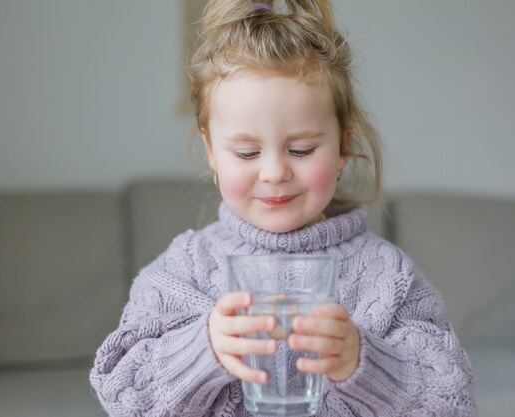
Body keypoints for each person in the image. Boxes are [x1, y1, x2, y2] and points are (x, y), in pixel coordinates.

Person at [90, 1, 476, 416]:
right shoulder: (183, 273)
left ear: (343, 145)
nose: (274, 172)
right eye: (247, 151)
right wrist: (202, 352)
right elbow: (122, 393)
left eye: (301, 149)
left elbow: (452, 400)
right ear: (212, 152)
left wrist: (366, 363)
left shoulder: (388, 278)